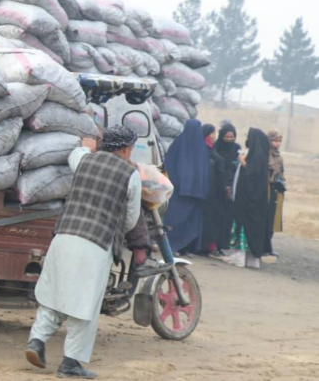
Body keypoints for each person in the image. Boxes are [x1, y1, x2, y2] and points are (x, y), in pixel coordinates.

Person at [24, 126, 141, 379]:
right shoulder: (130, 175)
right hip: (95, 245)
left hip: (64, 236)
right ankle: (69, 363)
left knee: (54, 295)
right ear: (123, 149)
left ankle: (36, 341)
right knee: (84, 306)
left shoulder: (84, 160)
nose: (131, 153)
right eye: (130, 148)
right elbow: (131, 219)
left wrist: (87, 145)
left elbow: (75, 154)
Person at [163, 119, 209, 255]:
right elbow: (169, 166)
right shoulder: (178, 145)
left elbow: (205, 170)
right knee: (176, 220)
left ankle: (186, 247)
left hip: (195, 193)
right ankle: (171, 247)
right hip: (179, 192)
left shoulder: (201, 148)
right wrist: (179, 184)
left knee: (191, 222)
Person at [227, 128, 271, 269]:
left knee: (243, 228)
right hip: (257, 204)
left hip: (246, 203)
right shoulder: (261, 157)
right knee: (254, 230)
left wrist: (242, 161)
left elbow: (251, 175)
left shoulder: (255, 158)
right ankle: (252, 261)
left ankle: (239, 258)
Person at [213, 122, 241, 252]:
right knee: (216, 216)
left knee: (227, 218)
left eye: (232, 137)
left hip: (232, 187)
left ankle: (224, 243)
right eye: (227, 137)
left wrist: (231, 186)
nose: (229, 139)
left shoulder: (237, 149)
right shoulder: (215, 147)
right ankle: (214, 244)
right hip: (217, 187)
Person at [200, 124, 228, 257]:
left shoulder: (212, 148)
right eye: (212, 133)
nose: (214, 136)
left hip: (215, 190)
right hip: (209, 190)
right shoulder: (204, 149)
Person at [265, 130, 285, 258]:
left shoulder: (279, 156)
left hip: (276, 191)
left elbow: (281, 173)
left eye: (279, 141)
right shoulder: (264, 154)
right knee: (265, 220)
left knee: (273, 221)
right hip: (266, 190)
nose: (277, 144)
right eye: (274, 140)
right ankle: (263, 246)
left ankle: (268, 246)